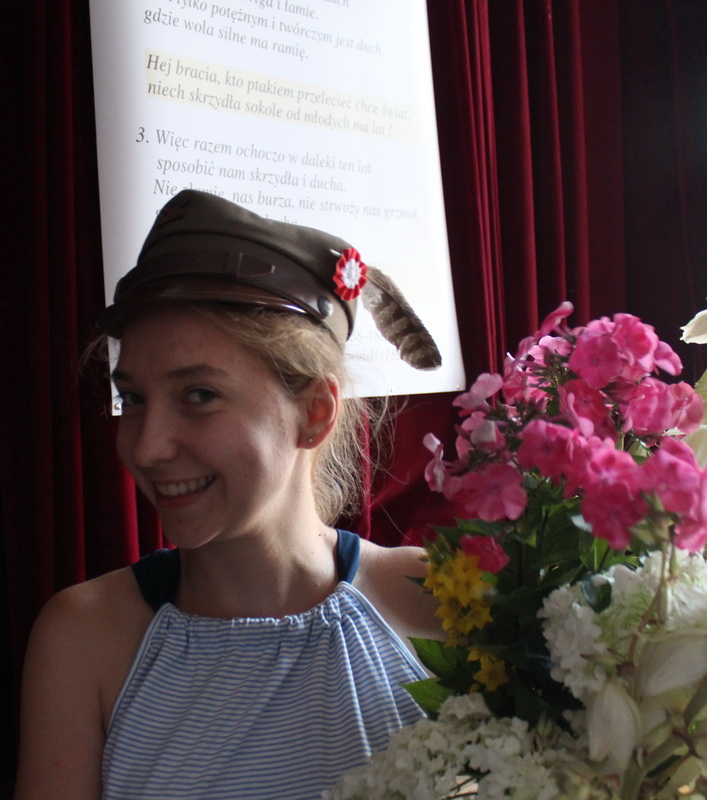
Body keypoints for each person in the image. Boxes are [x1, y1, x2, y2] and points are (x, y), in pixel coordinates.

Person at [14, 190, 442, 800]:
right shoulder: (84, 640)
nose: (146, 448)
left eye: (199, 395)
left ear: (315, 412)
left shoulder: (437, 602)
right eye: (133, 399)